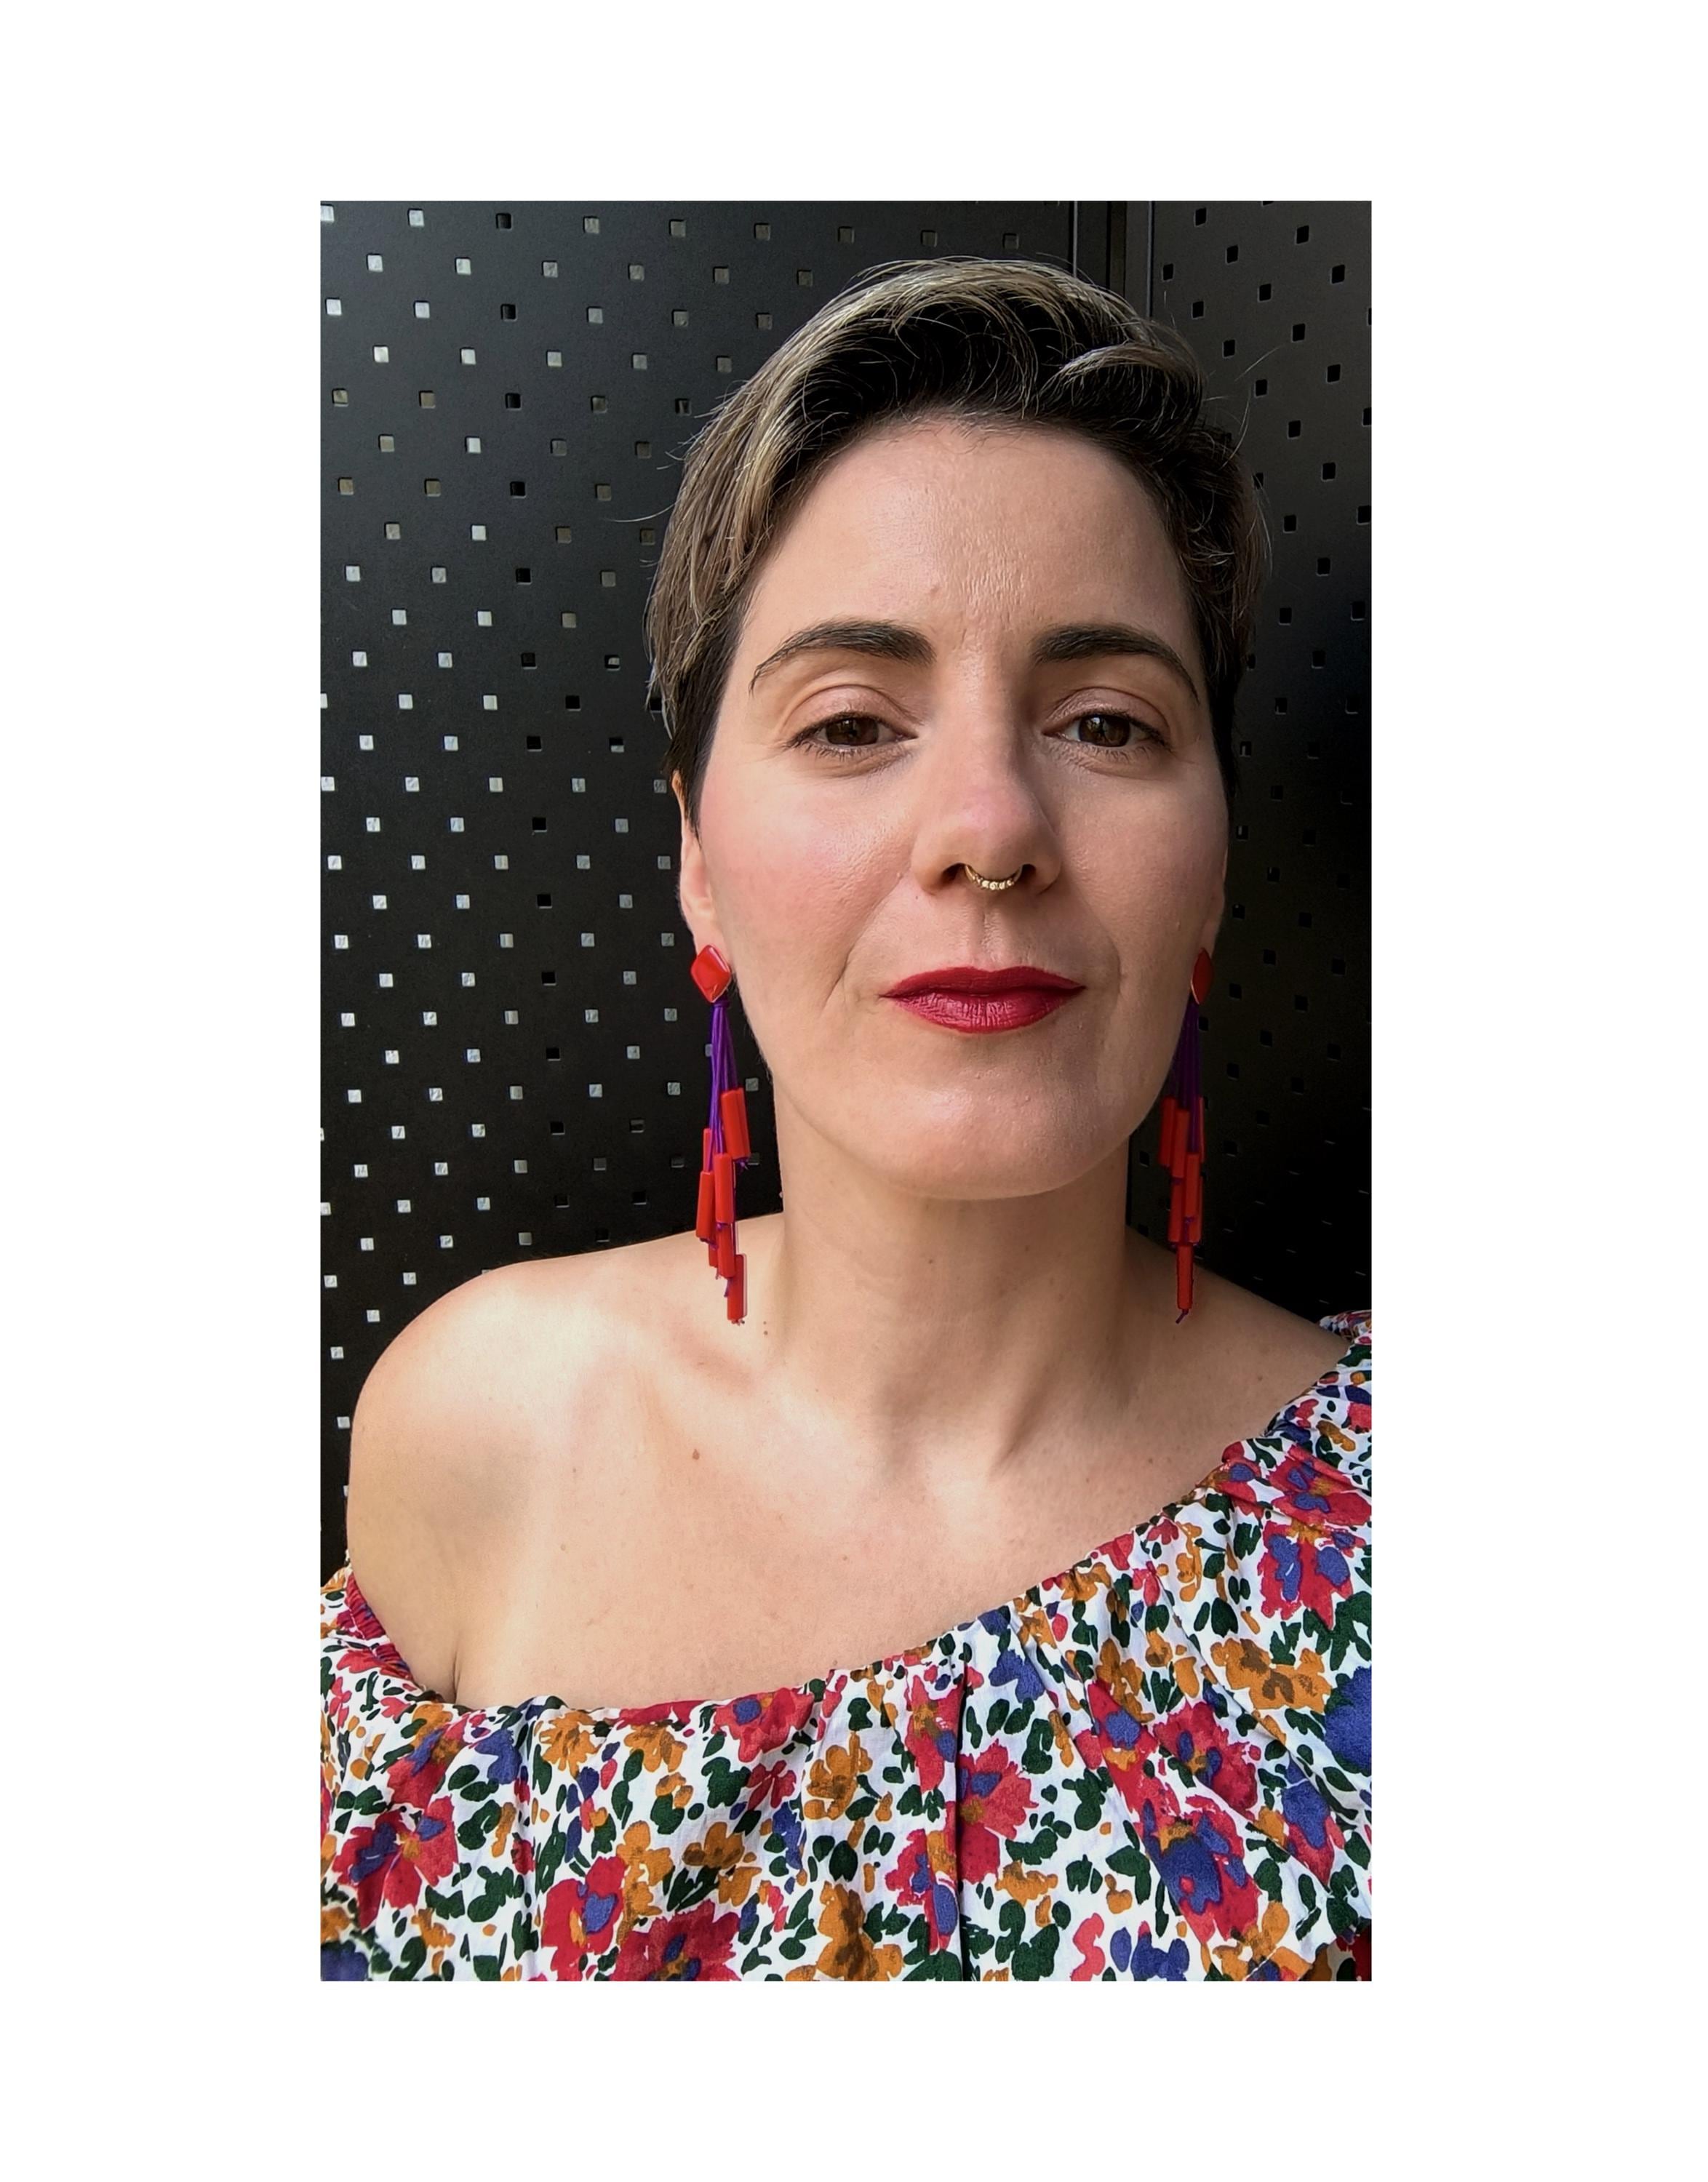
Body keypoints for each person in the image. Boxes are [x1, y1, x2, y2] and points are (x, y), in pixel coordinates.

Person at [320, 254, 1372, 1981]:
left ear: (1213, 874)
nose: (989, 830)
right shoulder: (471, 1425)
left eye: (1106, 724)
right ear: (696, 858)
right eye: (853, 722)